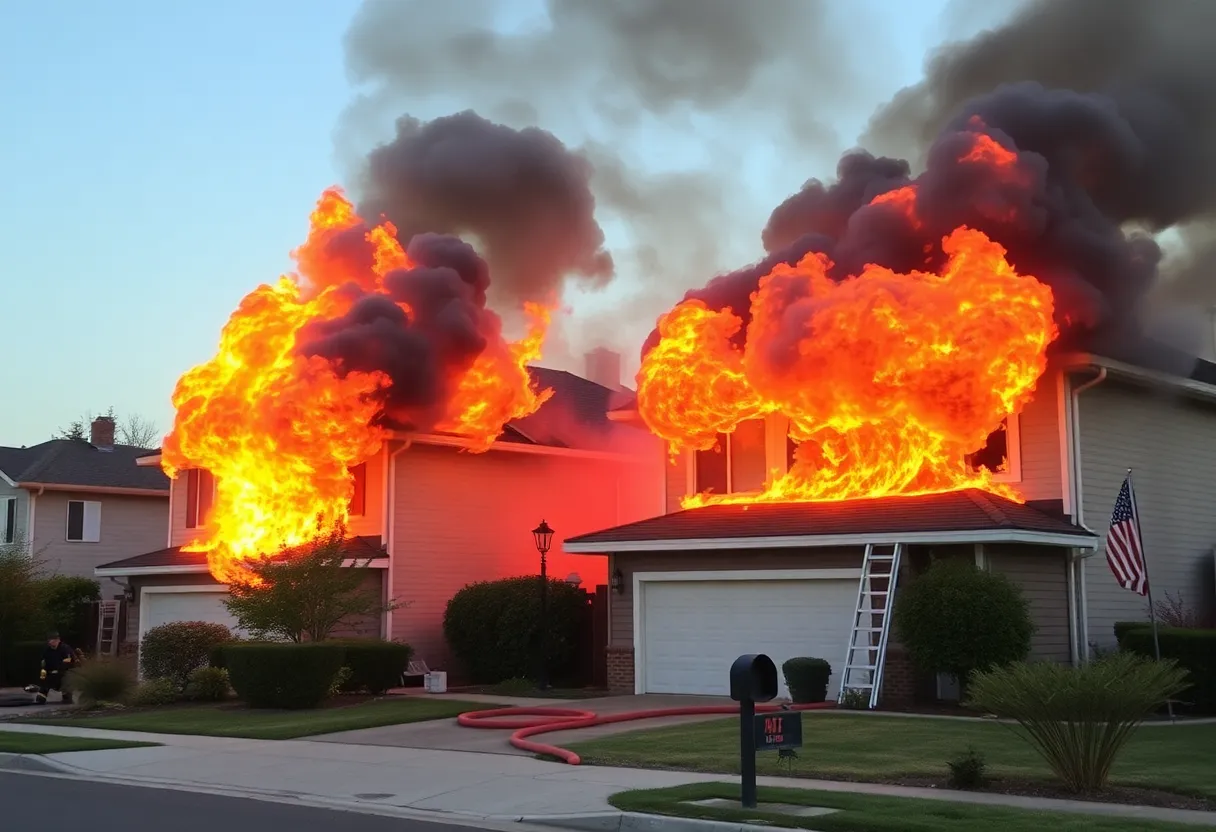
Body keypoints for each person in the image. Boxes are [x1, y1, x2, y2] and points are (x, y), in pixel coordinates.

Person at [29, 631, 75, 704]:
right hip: (51, 673)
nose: (51, 641)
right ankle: (41, 697)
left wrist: (58, 671)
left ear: (58, 640)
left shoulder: (65, 648)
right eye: (50, 640)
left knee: (67, 679)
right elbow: (43, 663)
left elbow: (67, 662)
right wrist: (43, 674)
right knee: (41, 696)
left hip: (64, 672)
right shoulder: (47, 650)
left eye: (53, 640)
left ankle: (67, 697)